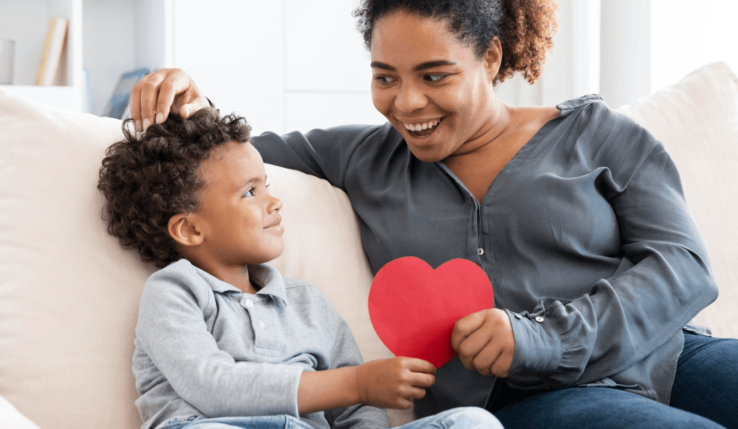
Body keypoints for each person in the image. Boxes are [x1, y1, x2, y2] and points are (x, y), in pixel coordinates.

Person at [128, 0, 738, 429]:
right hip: (542, 400)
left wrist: (541, 335)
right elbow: (230, 166)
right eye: (385, 76)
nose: (406, 103)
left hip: (673, 354)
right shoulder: (362, 157)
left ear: (490, 59)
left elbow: (684, 267)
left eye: (434, 76)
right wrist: (193, 101)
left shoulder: (601, 135)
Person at [96, 109, 502, 429]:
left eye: (267, 185)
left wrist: (361, 397)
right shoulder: (173, 292)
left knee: (472, 422)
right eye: (250, 192)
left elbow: (358, 410)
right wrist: (356, 383)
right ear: (189, 228)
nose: (274, 203)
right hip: (211, 424)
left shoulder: (307, 302)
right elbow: (212, 387)